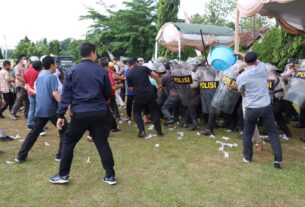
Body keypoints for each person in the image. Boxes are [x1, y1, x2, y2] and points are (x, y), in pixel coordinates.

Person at [50, 43, 116, 185]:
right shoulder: (101, 71)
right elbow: (107, 93)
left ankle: (63, 175)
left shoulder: (71, 71)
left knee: (68, 143)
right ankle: (110, 176)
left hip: (80, 113)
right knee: (102, 143)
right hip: (99, 111)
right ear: (92, 53)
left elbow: (66, 95)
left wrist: (60, 115)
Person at [231, 52, 282, 169]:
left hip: (251, 108)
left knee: (247, 133)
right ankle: (278, 160)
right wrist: (241, 54)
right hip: (265, 106)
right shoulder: (262, 68)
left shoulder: (241, 77)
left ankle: (247, 158)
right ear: (256, 60)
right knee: (273, 133)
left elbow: (242, 93)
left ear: (245, 62)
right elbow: (258, 61)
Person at [15, 56, 68, 163]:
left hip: (40, 109)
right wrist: (64, 105)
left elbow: (39, 92)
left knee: (34, 133)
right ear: (52, 65)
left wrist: (29, 89)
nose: (56, 66)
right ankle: (60, 155)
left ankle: (20, 156)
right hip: (52, 110)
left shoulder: (40, 76)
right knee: (65, 131)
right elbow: (55, 93)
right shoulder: (52, 77)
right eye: (55, 64)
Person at [126, 57, 163, 138]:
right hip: (150, 92)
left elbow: (131, 88)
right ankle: (159, 131)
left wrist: (137, 90)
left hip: (139, 94)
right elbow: (155, 75)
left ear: (129, 64)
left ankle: (142, 131)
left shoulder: (128, 74)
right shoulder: (144, 68)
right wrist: (159, 84)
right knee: (154, 111)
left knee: (136, 112)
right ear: (136, 62)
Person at [10, 55, 29, 120]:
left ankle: (26, 114)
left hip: (25, 86)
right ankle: (12, 113)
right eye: (24, 59)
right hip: (20, 86)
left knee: (26, 101)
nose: (25, 60)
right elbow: (17, 76)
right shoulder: (17, 67)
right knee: (19, 100)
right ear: (20, 59)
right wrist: (26, 81)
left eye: (25, 59)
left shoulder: (25, 67)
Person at [24, 56, 40, 130]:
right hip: (37, 92)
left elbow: (26, 82)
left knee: (31, 108)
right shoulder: (37, 71)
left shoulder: (26, 71)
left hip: (29, 91)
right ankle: (38, 124)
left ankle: (30, 124)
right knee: (37, 109)